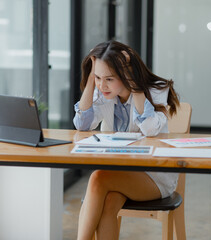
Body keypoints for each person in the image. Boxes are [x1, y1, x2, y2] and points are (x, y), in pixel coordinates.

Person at [73, 40, 180, 240]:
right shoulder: (103, 93)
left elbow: (148, 129)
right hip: (120, 175)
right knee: (109, 202)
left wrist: (133, 81)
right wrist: (90, 78)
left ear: (125, 74)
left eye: (109, 79)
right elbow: (82, 124)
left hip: (154, 176)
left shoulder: (156, 89)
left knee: (98, 177)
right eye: (98, 77)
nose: (102, 85)